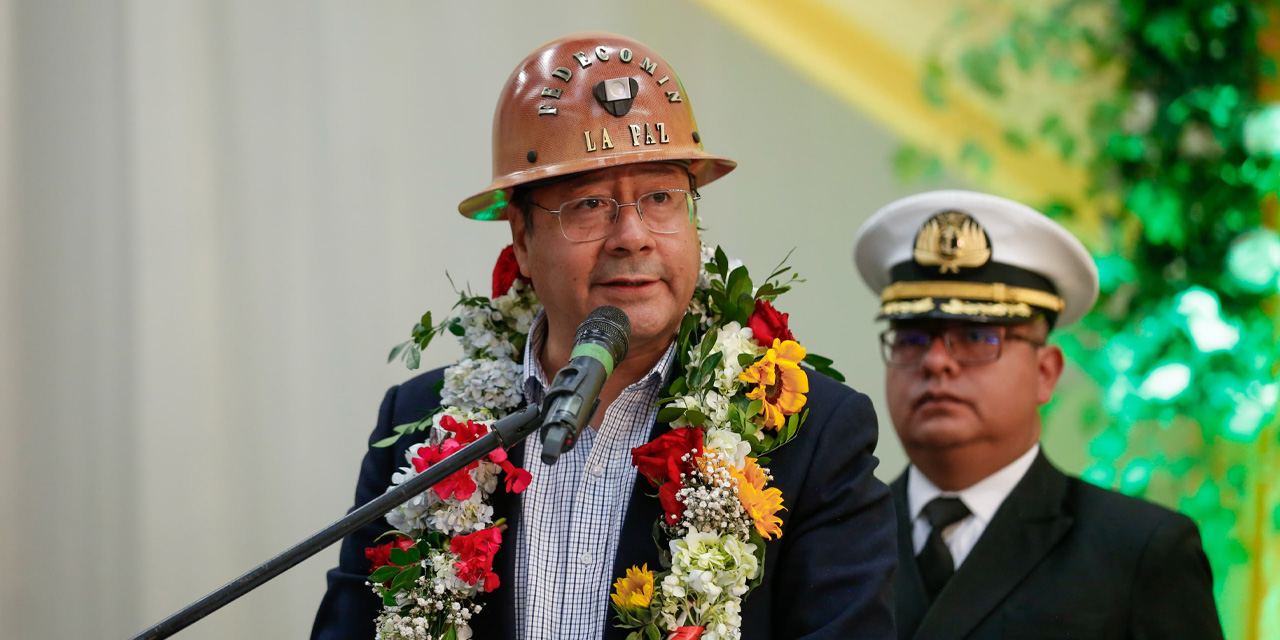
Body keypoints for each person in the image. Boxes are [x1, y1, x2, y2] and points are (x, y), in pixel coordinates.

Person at [312, 32, 896, 640]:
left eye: (662, 198)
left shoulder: (809, 437)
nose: (633, 236)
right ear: (521, 241)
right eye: (589, 205)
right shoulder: (423, 426)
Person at [853, 190, 1224, 640]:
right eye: (911, 338)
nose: (936, 362)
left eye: (975, 336)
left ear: (1045, 372)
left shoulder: (1139, 550)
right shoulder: (840, 536)